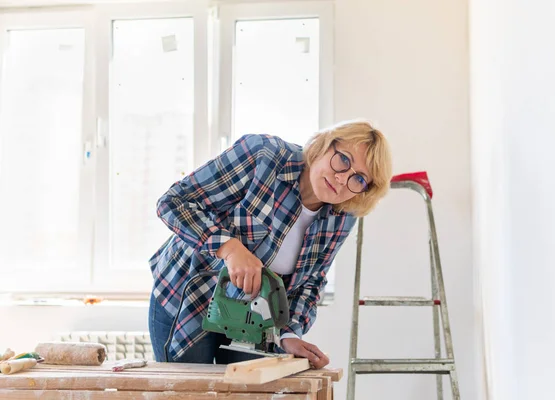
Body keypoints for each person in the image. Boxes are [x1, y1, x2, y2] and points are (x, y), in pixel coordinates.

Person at [148, 120, 392, 369]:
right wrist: (230, 249)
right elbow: (173, 203)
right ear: (325, 145)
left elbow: (312, 280)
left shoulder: (344, 214)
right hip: (189, 298)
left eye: (359, 179)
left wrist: (289, 334)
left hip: (253, 320)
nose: (342, 180)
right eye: (343, 160)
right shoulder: (264, 156)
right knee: (190, 394)